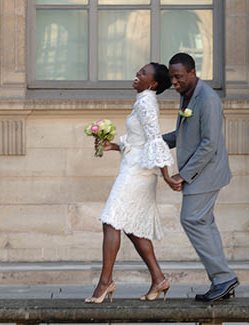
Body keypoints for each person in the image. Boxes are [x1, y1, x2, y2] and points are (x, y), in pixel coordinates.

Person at [85, 63, 175, 304]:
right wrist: (113, 145)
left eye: (143, 73)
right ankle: (159, 278)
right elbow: (140, 140)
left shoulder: (147, 102)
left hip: (138, 173)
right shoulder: (143, 101)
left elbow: (156, 139)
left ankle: (105, 282)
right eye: (139, 71)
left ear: (153, 83)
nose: (138, 74)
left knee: (111, 219)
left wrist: (167, 174)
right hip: (134, 168)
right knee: (132, 227)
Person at [162, 52, 239, 302]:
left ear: (192, 73)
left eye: (178, 77)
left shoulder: (207, 99)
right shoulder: (188, 95)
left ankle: (223, 277)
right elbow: (183, 135)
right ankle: (222, 280)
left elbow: (209, 144)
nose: (174, 82)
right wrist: (153, 142)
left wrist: (183, 175)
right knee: (204, 223)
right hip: (201, 172)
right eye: (172, 77)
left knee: (192, 220)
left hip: (207, 173)